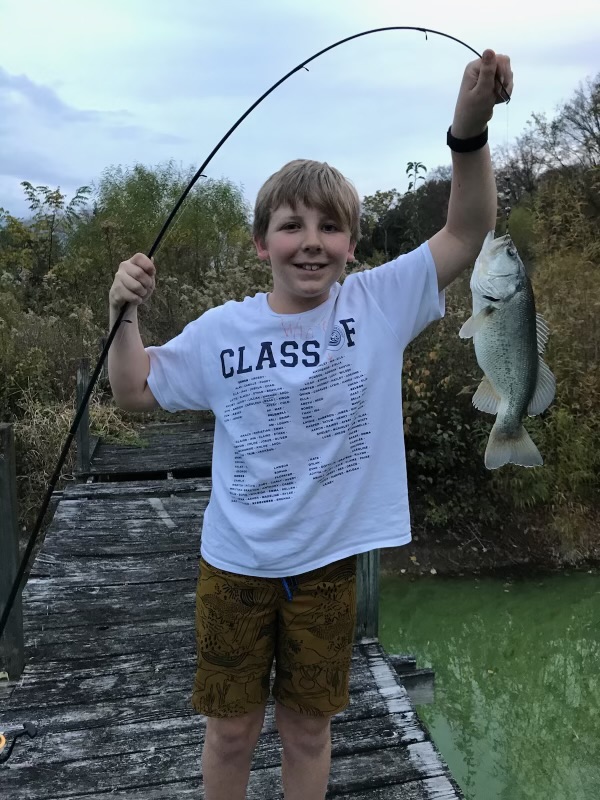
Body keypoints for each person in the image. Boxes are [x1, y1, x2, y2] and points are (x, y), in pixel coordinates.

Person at [108, 49, 513, 800]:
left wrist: (468, 130)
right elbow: (134, 391)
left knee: (308, 730)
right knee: (230, 731)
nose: (312, 241)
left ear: (352, 246)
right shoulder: (223, 330)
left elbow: (469, 227)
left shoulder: (378, 305)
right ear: (262, 243)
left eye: (331, 228)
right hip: (232, 568)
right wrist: (123, 313)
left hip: (327, 572)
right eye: (292, 227)